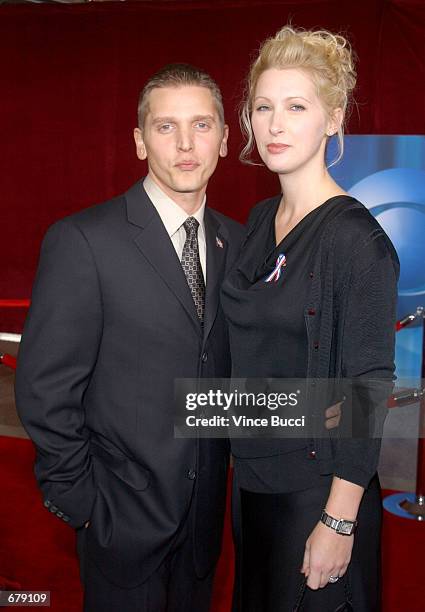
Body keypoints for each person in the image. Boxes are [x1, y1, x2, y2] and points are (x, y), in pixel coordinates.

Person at [15, 63, 244, 612]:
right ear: (140, 143)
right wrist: (84, 501)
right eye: (166, 127)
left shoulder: (237, 242)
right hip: (119, 525)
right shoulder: (83, 241)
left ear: (226, 139)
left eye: (202, 125)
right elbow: (44, 389)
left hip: (204, 528)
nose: (186, 144)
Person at [221, 26, 399, 611]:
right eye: (263, 107)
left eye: (296, 107)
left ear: (333, 118)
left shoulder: (356, 242)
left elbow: (366, 390)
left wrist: (339, 523)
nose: (275, 124)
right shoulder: (258, 220)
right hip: (252, 487)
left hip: (317, 496)